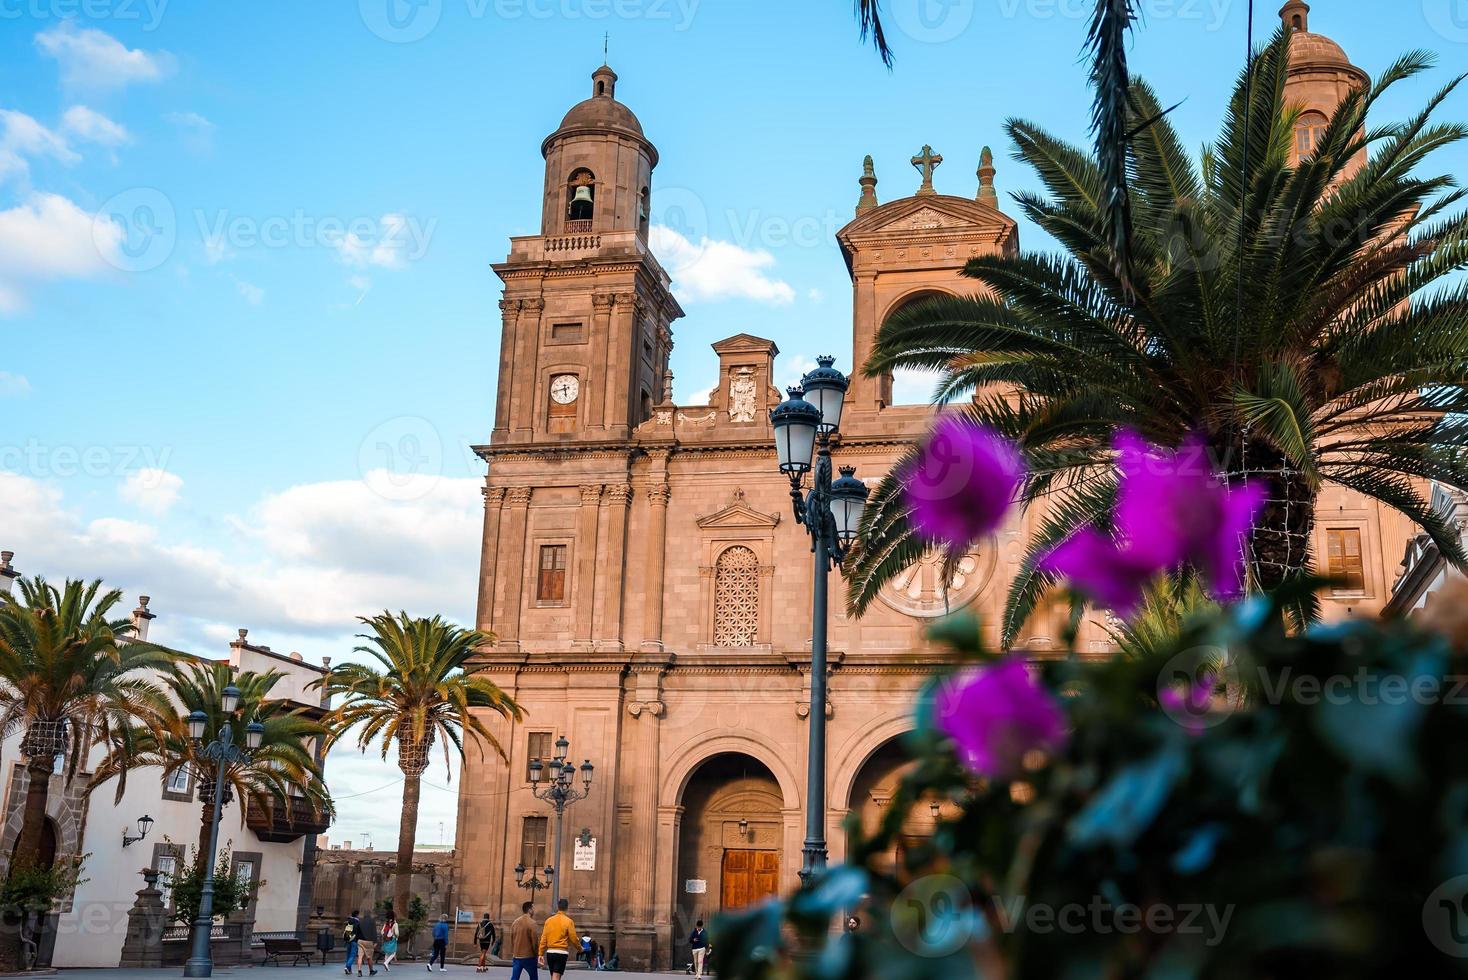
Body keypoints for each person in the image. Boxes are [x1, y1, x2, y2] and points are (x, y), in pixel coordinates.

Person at [537, 898, 577, 980]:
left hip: (550, 952)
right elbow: (573, 938)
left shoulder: (549, 921)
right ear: (567, 908)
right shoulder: (568, 921)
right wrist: (580, 949)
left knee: (554, 975)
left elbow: (544, 938)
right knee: (556, 976)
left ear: (558, 907)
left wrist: (541, 953)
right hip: (561, 952)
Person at [508, 902, 538, 980]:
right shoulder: (532, 923)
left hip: (517, 955)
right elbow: (535, 941)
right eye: (533, 908)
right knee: (534, 977)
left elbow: (511, 938)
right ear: (530, 910)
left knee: (515, 977)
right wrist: (536, 953)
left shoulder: (515, 922)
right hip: (529, 956)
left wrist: (514, 952)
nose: (534, 910)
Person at [358, 908, 379, 977]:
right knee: (369, 957)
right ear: (369, 914)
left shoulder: (360, 921)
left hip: (360, 941)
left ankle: (359, 971)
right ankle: (371, 971)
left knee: (360, 956)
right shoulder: (372, 921)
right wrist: (375, 941)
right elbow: (374, 932)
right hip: (368, 941)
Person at [343, 910, 362, 976]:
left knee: (348, 954)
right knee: (352, 955)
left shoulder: (349, 921)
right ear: (357, 915)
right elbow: (359, 932)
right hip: (354, 940)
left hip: (348, 940)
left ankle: (349, 969)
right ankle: (347, 966)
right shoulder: (357, 922)